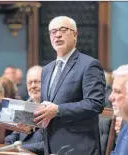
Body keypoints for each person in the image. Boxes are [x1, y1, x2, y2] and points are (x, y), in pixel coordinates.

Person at [34, 16, 106, 155]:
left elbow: (95, 104)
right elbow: (46, 107)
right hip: (50, 144)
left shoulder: (89, 65)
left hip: (78, 146)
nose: (58, 35)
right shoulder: (47, 69)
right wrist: (30, 122)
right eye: (53, 32)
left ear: (75, 34)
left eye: (63, 30)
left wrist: (58, 110)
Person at [4, 66, 44, 155]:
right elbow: (16, 134)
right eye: (29, 83)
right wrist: (8, 143)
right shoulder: (26, 104)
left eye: (37, 81)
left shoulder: (52, 107)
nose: (33, 86)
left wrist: (19, 147)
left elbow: (50, 144)